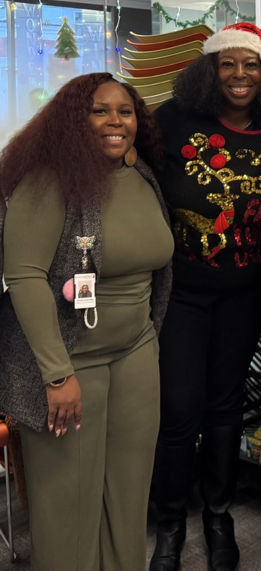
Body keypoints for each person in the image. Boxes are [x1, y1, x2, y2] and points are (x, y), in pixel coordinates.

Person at [0, 73, 173, 570]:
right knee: (67, 508)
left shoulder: (142, 177)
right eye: (100, 110)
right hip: (68, 363)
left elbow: (157, 270)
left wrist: (150, 341)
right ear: (74, 119)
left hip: (137, 351)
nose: (116, 122)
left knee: (128, 495)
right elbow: (25, 277)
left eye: (126, 111)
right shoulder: (46, 180)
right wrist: (57, 375)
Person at [148, 23, 261, 571]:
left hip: (244, 296)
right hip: (182, 294)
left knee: (225, 409)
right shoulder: (174, 122)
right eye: (228, 64)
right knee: (179, 413)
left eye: (251, 65)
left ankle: (218, 516)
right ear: (209, 70)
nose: (239, 76)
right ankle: (168, 526)